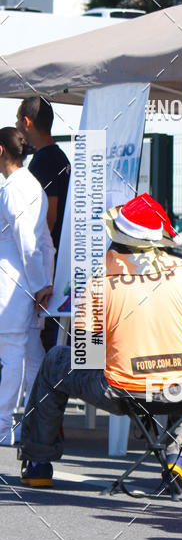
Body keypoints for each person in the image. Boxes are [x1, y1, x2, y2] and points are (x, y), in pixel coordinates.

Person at [18, 193, 182, 490]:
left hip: (121, 392)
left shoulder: (100, 282)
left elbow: (85, 355)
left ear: (117, 237)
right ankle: (181, 460)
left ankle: (38, 463)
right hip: (176, 391)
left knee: (55, 360)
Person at [0, 128, 54, 446]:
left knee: (13, 355)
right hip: (28, 286)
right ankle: (33, 423)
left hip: (14, 286)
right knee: (32, 356)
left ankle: (4, 425)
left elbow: (27, 241)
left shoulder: (13, 189)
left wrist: (39, 284)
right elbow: (43, 242)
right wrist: (44, 282)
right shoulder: (32, 185)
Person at [17, 95, 71, 355]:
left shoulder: (45, 160)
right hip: (59, 260)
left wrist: (38, 264)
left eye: (18, 121)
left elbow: (49, 216)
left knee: (44, 338)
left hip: (51, 266)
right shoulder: (58, 156)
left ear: (27, 122)